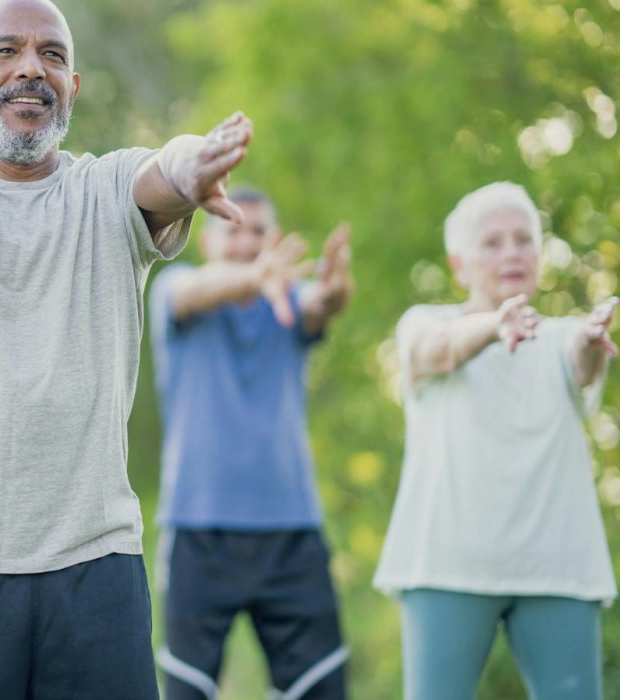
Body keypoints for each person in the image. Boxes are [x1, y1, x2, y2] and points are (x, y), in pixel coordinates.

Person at [0, 0, 254, 699]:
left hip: (92, 575)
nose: (31, 68)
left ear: (73, 87)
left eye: (53, 56)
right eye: (6, 51)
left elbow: (164, 167)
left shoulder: (104, 190)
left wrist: (193, 166)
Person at [374, 182, 617, 699]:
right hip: (445, 566)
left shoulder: (560, 337)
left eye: (523, 239)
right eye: (492, 242)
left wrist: (592, 341)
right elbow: (437, 352)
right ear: (459, 264)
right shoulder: (424, 323)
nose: (511, 252)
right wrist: (493, 327)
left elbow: (582, 364)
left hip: (558, 568)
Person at [150, 187, 353, 700]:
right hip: (199, 530)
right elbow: (197, 293)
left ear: (274, 240)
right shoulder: (177, 287)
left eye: (259, 232)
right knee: (186, 689)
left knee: (320, 687)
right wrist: (256, 278)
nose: (246, 243)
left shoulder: (287, 300)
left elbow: (321, 304)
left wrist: (335, 288)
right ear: (207, 239)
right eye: (233, 229)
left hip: (291, 530)